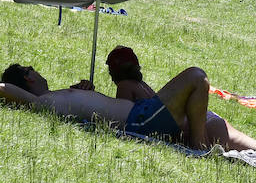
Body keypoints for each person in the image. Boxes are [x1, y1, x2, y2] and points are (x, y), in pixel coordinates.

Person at [101, 46, 256, 173]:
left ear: (114, 72)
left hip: (205, 129)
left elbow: (128, 119)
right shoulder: (142, 85)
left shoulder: (125, 87)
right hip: (206, 120)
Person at [1, 62, 211, 150]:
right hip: (139, 120)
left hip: (141, 114)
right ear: (28, 78)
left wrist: (86, 93)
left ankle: (197, 142)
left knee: (196, 81)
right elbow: (3, 88)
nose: (36, 71)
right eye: (31, 69)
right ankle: (198, 147)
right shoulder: (44, 103)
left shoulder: (54, 98)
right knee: (196, 76)